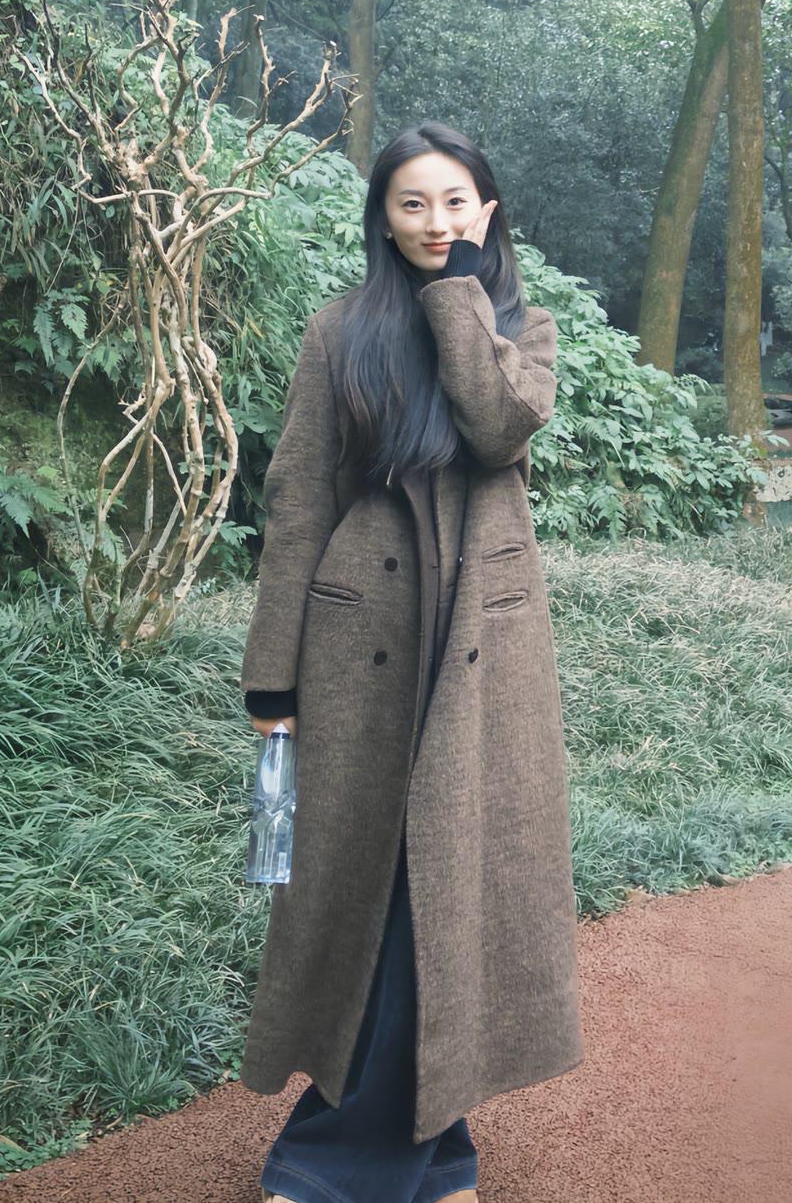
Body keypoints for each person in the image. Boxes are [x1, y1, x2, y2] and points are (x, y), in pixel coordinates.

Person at [240, 120, 584, 1203]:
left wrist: (458, 296)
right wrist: (274, 672)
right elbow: (299, 500)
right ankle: (408, 1156)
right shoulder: (339, 330)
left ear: (487, 210)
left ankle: (372, 1159)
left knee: (448, 883)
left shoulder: (524, 328)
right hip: (361, 641)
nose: (436, 221)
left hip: (481, 644)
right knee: (379, 888)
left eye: (455, 200)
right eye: (412, 203)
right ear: (382, 218)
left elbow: (498, 428)